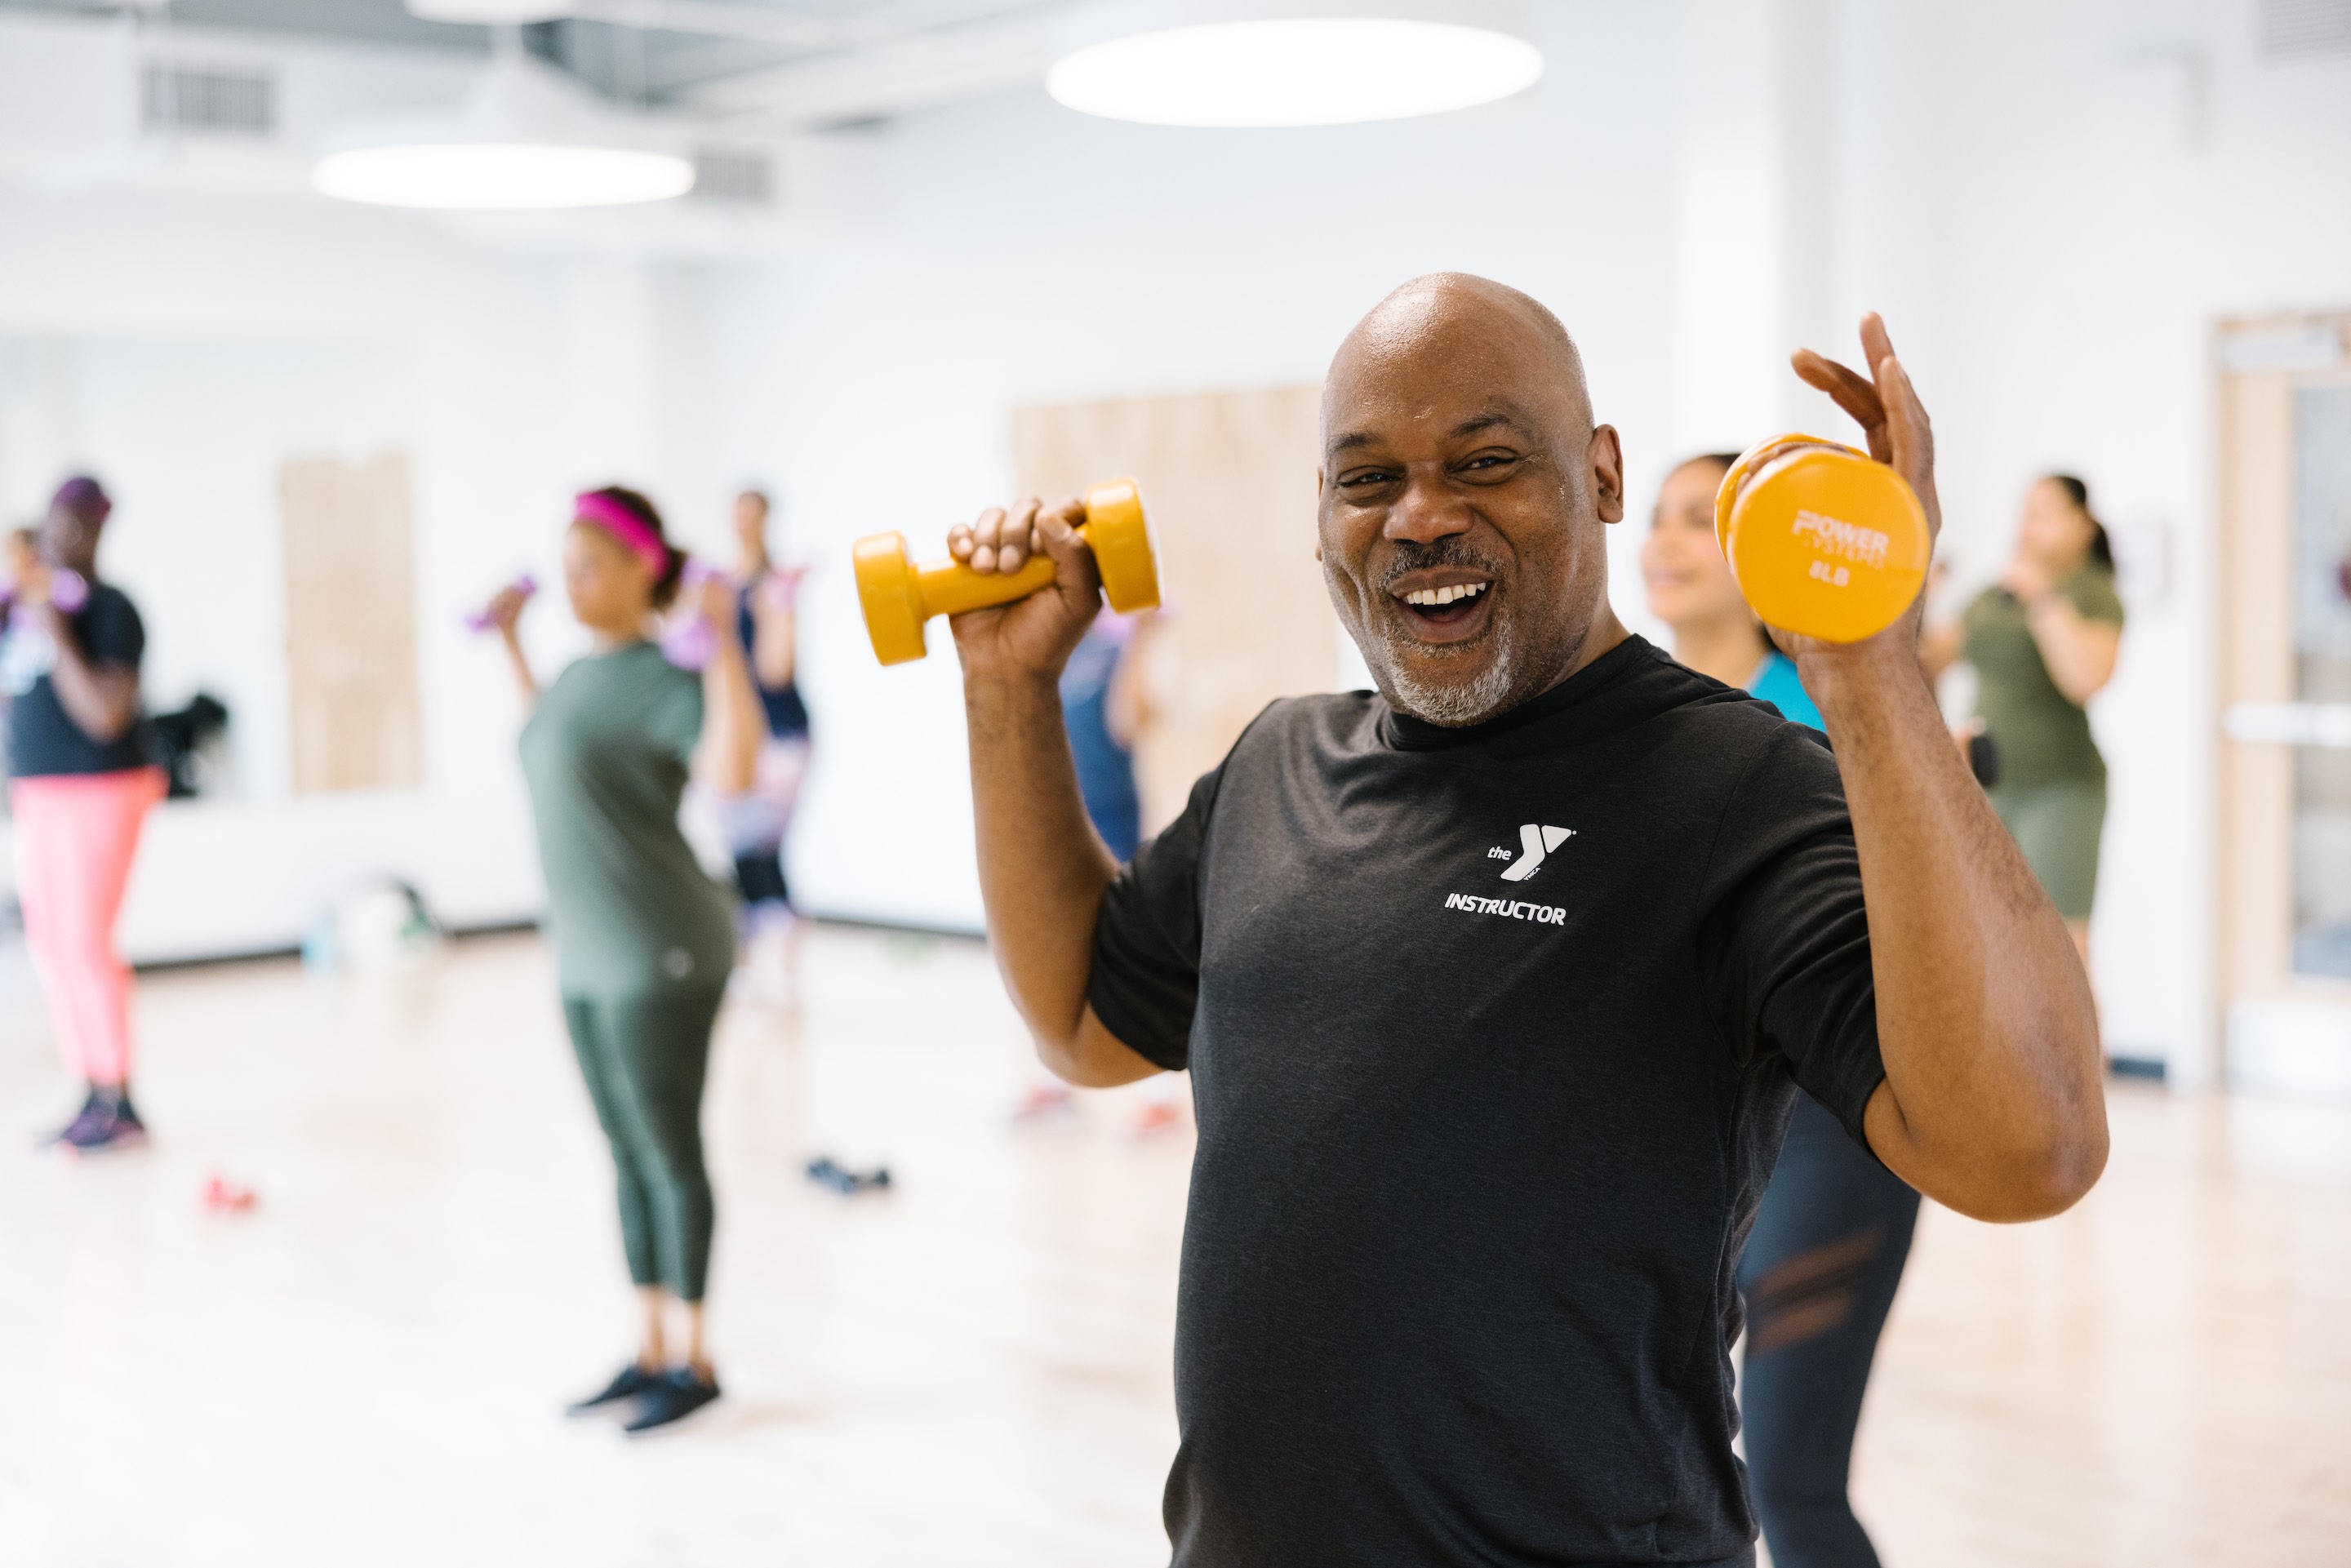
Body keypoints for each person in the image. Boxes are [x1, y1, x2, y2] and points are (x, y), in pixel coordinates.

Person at [942, 278, 2108, 1565]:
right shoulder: (1276, 767)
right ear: (1321, 514)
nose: (1421, 516)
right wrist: (1008, 689)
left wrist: (1869, 660)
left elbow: (2031, 1150)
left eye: (1485, 462)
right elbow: (1083, 1019)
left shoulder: (1736, 787)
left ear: (1600, 474)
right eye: (1367, 479)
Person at [1643, 452, 1921, 1568]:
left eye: (1698, 521)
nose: (1665, 542)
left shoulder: (1829, 713)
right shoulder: (1629, 727)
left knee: (1791, 1483)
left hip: (1825, 1129)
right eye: (1658, 518)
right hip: (1680, 1131)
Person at [482, 486, 762, 1434]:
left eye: (591, 566)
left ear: (645, 568)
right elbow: (548, 747)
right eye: (565, 567)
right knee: (624, 1151)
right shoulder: (574, 674)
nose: (573, 584)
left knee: (668, 1149)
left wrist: (724, 645)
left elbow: (733, 771)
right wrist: (512, 644)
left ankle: (696, 1358)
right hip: (584, 956)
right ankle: (648, 1346)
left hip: (661, 950)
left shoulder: (666, 675)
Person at [5, 478, 165, 1153]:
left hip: (100, 789)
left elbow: (104, 715)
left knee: (84, 942)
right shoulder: (25, 606)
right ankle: (91, 1090)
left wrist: (56, 630)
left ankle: (119, 1098)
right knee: (51, 946)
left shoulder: (110, 608)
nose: (62, 536)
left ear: (100, 530)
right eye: (56, 522)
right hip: (39, 795)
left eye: (78, 524)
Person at [1924, 475, 2123, 971]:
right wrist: (1916, 602)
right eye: (2026, 510)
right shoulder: (1996, 593)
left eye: (2045, 511)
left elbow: (2087, 679)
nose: (2028, 524)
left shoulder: (2091, 591)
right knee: (1995, 950)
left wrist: (2042, 598)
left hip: (2059, 790)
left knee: (2063, 956)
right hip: (1987, 789)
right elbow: (1933, 658)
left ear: (2083, 525)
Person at [718, 490, 811, 972]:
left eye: (751, 514)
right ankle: (759, 965)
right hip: (738, 735)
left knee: (757, 848)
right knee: (744, 849)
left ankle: (780, 966)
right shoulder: (722, 584)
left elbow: (776, 670)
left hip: (780, 732)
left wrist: (779, 609)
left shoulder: (775, 585)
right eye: (738, 514)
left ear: (766, 518)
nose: (744, 523)